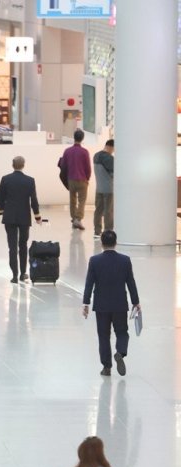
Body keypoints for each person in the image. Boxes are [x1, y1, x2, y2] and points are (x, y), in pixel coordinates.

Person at [82, 230, 141, 376]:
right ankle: (120, 352)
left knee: (103, 336)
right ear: (116, 242)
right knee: (122, 332)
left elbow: (89, 283)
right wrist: (136, 302)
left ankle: (106, 367)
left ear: (101, 244)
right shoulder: (125, 260)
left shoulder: (94, 261)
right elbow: (130, 282)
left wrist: (86, 303)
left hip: (101, 305)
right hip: (120, 304)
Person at [0, 156, 42, 283]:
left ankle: (14, 275)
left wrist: (2, 210)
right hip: (24, 217)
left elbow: (0, 194)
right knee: (23, 245)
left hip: (9, 217)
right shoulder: (29, 181)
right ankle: (23, 273)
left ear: (13, 165)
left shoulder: (6, 179)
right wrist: (37, 216)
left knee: (12, 247)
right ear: (24, 165)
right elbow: (33, 200)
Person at [61, 129, 92, 230]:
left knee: (72, 200)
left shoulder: (67, 151)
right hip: (82, 179)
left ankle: (74, 218)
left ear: (74, 137)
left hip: (71, 179)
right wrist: (87, 178)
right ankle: (78, 219)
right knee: (82, 200)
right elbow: (88, 167)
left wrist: (66, 179)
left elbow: (63, 166)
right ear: (82, 138)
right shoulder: (84, 152)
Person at [93, 140, 115, 237]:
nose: (113, 151)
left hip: (99, 189)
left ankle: (97, 232)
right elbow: (113, 174)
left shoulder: (96, 156)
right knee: (108, 211)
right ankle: (108, 232)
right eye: (113, 149)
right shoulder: (109, 158)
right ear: (110, 147)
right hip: (108, 189)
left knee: (98, 210)